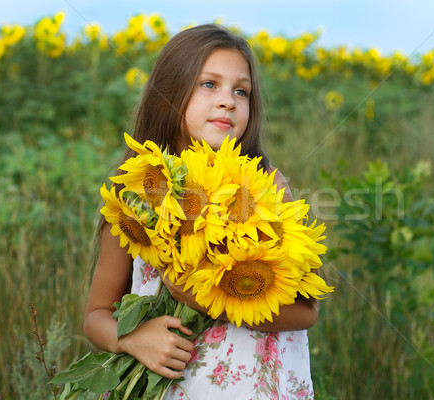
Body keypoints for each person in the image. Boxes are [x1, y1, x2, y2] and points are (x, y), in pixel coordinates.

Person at [84, 24, 319, 399]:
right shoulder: (136, 195)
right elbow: (96, 314)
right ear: (169, 91)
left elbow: (307, 311)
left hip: (257, 388)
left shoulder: (266, 187)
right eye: (209, 84)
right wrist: (131, 339)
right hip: (176, 388)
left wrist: (218, 299)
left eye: (240, 91)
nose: (228, 100)